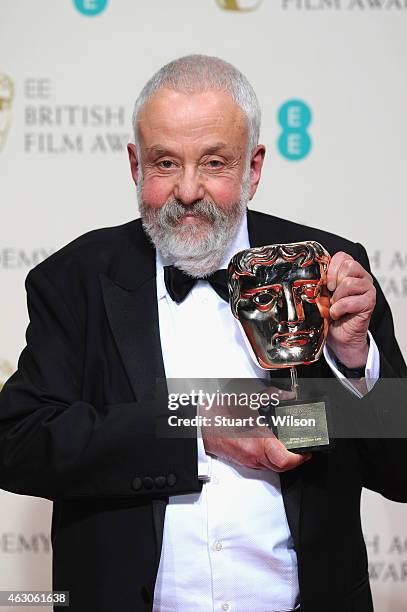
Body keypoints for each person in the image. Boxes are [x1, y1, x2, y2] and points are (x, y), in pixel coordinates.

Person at [0, 54, 406, 612]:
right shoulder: (73, 279)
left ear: (253, 168)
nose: (188, 191)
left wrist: (353, 362)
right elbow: (18, 442)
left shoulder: (328, 270)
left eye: (214, 163)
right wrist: (196, 426)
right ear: (135, 165)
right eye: (165, 163)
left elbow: (399, 471)